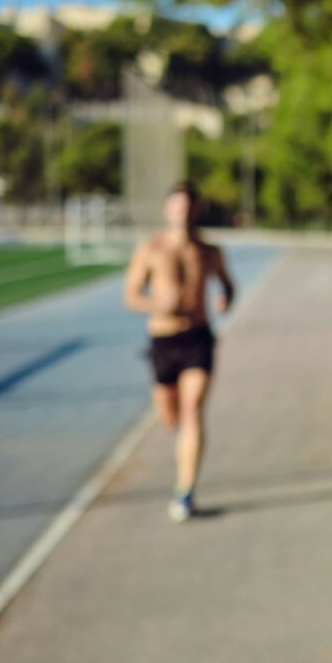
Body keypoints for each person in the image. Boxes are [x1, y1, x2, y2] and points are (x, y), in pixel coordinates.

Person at [124, 181, 234, 522]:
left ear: (195, 211)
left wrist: (225, 297)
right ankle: (182, 469)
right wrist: (156, 304)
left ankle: (184, 492)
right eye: (176, 206)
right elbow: (130, 296)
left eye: (188, 207)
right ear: (166, 210)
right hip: (163, 342)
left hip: (198, 339)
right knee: (169, 418)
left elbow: (227, 284)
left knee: (192, 414)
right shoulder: (151, 249)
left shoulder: (208, 251)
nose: (182, 213)